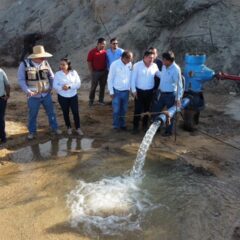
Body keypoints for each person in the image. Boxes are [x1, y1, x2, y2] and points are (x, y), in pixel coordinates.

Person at [18, 45, 62, 140]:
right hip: (33, 96)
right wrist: (28, 91)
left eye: (44, 57)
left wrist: (50, 87)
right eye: (42, 57)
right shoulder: (24, 64)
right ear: (35, 57)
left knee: (51, 113)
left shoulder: (45, 63)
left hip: (46, 94)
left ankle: (54, 128)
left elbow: (51, 76)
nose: (44, 58)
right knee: (33, 115)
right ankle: (32, 132)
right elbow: (21, 80)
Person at [152, 51, 183, 136]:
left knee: (170, 114)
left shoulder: (176, 69)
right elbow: (163, 76)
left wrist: (178, 98)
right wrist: (155, 72)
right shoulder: (164, 66)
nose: (163, 61)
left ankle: (168, 131)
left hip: (170, 95)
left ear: (169, 61)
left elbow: (180, 85)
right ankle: (156, 128)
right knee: (156, 111)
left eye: (164, 60)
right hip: (161, 93)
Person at [53, 58, 83, 136]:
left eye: (64, 64)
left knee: (75, 112)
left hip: (73, 96)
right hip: (62, 96)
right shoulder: (57, 74)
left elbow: (78, 84)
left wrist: (69, 86)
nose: (62, 66)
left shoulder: (74, 72)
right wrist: (62, 88)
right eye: (60, 64)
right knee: (65, 112)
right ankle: (68, 127)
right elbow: (55, 85)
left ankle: (78, 128)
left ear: (68, 65)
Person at [131, 50, 159, 133]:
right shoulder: (137, 65)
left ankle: (144, 126)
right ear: (145, 57)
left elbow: (159, 74)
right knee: (138, 109)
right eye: (150, 58)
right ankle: (135, 127)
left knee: (147, 109)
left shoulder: (154, 65)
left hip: (150, 92)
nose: (151, 60)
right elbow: (133, 79)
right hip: (139, 91)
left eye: (153, 58)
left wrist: (168, 75)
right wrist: (133, 90)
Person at [107, 51, 133, 130]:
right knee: (116, 110)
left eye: (130, 59)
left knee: (124, 109)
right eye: (128, 59)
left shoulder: (129, 64)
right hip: (116, 92)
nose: (130, 61)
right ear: (123, 57)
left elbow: (130, 77)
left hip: (126, 91)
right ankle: (116, 126)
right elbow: (110, 79)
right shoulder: (114, 64)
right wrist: (111, 91)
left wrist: (131, 89)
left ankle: (123, 124)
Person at [87, 38, 108, 106]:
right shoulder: (92, 52)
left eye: (105, 44)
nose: (104, 45)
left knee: (102, 87)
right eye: (103, 44)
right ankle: (91, 100)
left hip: (104, 72)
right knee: (93, 87)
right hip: (95, 72)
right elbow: (89, 62)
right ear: (99, 44)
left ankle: (101, 100)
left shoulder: (105, 52)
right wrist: (91, 71)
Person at [0, 68, 10, 145]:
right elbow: (7, 84)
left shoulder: (1, 71)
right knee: (0, 118)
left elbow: (7, 84)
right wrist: (7, 95)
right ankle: (3, 138)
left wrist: (7, 95)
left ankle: (3, 137)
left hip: (1, 99)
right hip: (2, 99)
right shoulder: (1, 71)